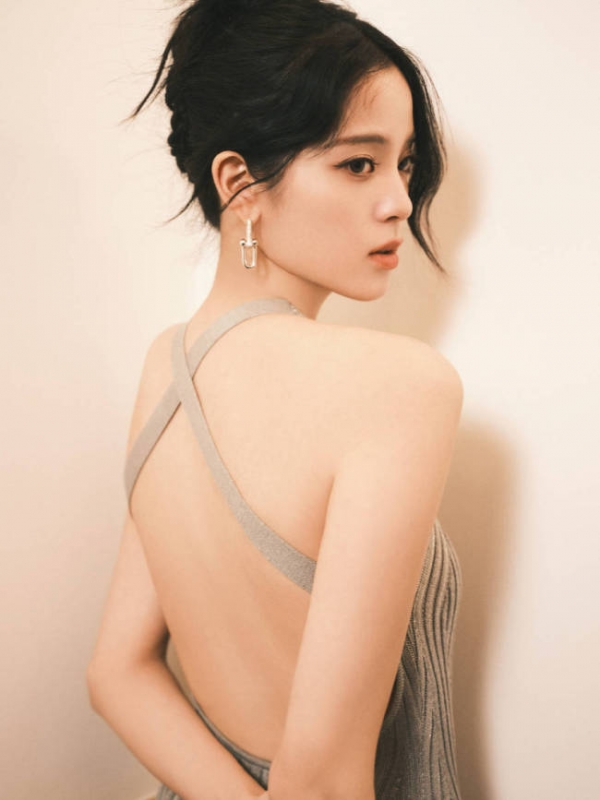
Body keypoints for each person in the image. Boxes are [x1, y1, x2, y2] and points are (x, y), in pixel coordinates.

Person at [86, 1, 465, 798]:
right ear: (239, 183)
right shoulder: (402, 387)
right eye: (358, 165)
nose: (400, 200)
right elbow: (322, 781)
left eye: (404, 163)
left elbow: (118, 673)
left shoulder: (166, 368)